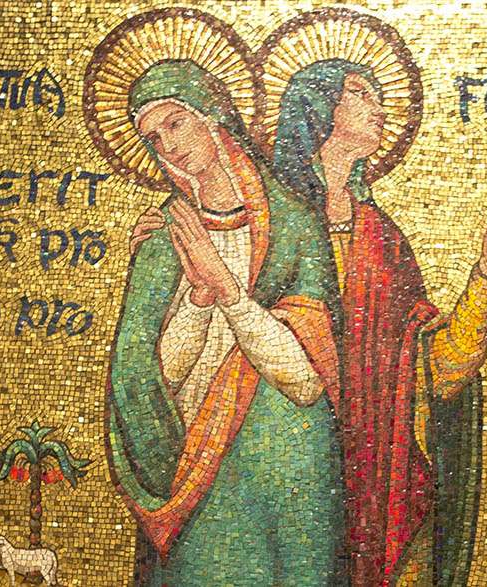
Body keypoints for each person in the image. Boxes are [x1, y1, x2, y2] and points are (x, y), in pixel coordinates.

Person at [271, 59, 487, 586]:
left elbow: (435, 366)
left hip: (377, 472)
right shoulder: (269, 225)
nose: (379, 109)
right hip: (285, 475)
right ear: (318, 107)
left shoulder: (381, 238)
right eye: (360, 94)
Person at [106, 59, 346, 586]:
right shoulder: (164, 236)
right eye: (152, 138)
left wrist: (231, 295)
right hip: (198, 472)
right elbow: (150, 376)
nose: (167, 145)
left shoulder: (295, 224)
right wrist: (196, 298)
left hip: (287, 472)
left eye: (175, 122)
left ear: (210, 115)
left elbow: (307, 381)